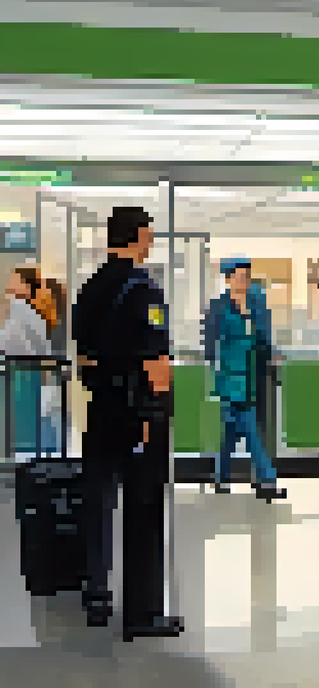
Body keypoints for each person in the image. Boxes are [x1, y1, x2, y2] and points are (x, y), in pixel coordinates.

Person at [72, 206, 184, 640]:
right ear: (137, 236)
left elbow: (83, 356)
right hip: (138, 414)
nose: (150, 242)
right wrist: (157, 411)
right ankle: (142, 614)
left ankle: (96, 596)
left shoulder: (90, 289)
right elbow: (157, 362)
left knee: (97, 501)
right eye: (148, 235)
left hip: (100, 408)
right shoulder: (144, 290)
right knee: (143, 510)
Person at [203, 257, 285, 500]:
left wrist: (272, 354)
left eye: (246, 277)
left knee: (230, 430)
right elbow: (209, 344)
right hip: (230, 376)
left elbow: (263, 337)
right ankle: (268, 480)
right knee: (250, 428)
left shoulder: (255, 305)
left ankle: (221, 477)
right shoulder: (219, 306)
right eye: (239, 277)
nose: (244, 281)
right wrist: (218, 369)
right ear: (228, 279)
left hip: (251, 375)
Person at [0, 266, 61, 456]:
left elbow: (8, 341)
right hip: (30, 377)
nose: (9, 284)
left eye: (15, 280)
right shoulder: (34, 313)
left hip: (21, 376)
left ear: (27, 287)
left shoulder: (19, 309)